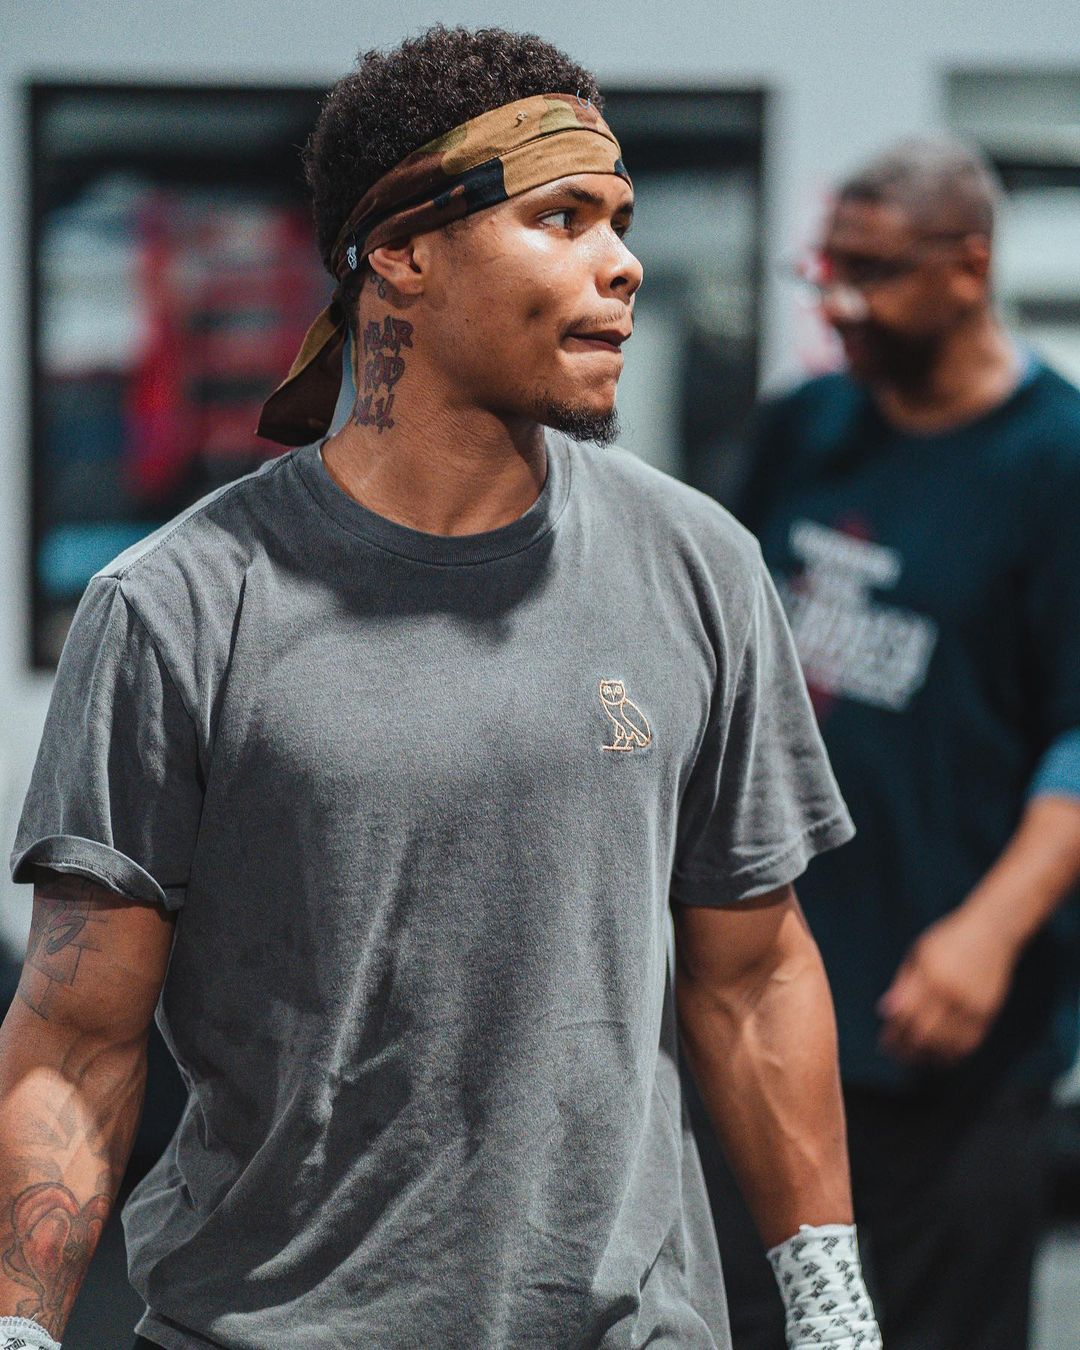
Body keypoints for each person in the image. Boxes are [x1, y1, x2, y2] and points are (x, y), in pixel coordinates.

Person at [0, 27, 880, 1350]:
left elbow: (752, 975)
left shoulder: (700, 567)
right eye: (562, 217)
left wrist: (832, 1310)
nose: (622, 262)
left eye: (622, 221)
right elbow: (77, 1041)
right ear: (403, 251)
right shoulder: (177, 606)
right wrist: (19, 1331)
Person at [698, 136, 1080, 1349]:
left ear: (968, 267)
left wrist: (990, 931)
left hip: (953, 1027)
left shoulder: (1058, 461)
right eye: (827, 272)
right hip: (765, 997)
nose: (839, 304)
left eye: (870, 273)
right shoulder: (802, 428)